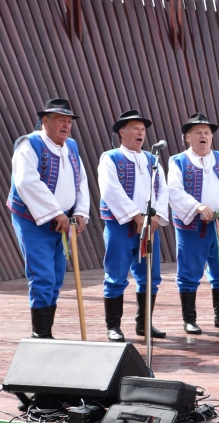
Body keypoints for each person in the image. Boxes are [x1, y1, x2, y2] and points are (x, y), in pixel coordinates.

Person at [7, 98, 90, 338]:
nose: (66, 126)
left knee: (55, 277)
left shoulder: (71, 146)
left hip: (62, 223)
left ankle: (46, 332)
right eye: (60, 120)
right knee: (42, 275)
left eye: (69, 121)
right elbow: (25, 182)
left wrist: (80, 212)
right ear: (45, 120)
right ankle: (40, 335)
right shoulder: (29, 144)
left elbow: (80, 180)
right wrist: (55, 212)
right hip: (33, 221)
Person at [98, 110, 170, 342]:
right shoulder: (110, 158)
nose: (141, 132)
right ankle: (113, 326)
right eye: (135, 128)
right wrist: (135, 216)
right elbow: (110, 189)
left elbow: (162, 189)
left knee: (150, 275)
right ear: (122, 132)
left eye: (142, 129)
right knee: (116, 275)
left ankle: (144, 323)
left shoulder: (152, 159)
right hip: (121, 226)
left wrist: (156, 215)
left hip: (149, 227)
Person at [168, 113, 219, 334]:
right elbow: (173, 190)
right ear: (187, 138)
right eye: (198, 132)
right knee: (190, 272)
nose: (203, 136)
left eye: (207, 133)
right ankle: (189, 319)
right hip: (192, 228)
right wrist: (197, 207)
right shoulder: (178, 161)